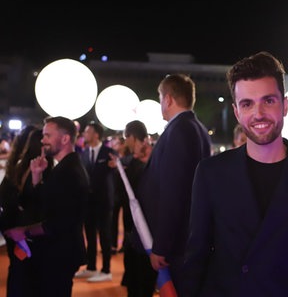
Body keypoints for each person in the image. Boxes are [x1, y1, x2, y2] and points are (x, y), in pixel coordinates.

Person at [184, 51, 288, 296]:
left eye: (268, 100)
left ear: (284, 105)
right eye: (247, 104)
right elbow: (196, 258)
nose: (258, 113)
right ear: (237, 111)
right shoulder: (210, 173)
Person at [135, 73, 212, 294]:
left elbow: (174, 193)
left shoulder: (179, 130)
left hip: (176, 245)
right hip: (186, 239)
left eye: (160, 98)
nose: (160, 103)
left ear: (168, 99)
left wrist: (161, 246)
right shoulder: (196, 128)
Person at [3, 116, 90, 296]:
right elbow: (46, 204)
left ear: (65, 139)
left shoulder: (69, 173)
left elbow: (58, 222)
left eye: (48, 136)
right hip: (56, 253)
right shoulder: (62, 168)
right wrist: (36, 177)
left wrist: (23, 231)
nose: (43, 140)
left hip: (60, 254)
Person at [114, 120, 157, 297]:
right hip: (134, 227)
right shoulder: (135, 161)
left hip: (143, 228)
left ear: (132, 137)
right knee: (134, 275)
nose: (125, 142)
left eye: (126, 138)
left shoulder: (144, 163)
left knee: (140, 278)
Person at [75, 121, 117, 282]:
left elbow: (116, 168)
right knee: (90, 235)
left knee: (105, 236)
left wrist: (114, 164)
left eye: (87, 131)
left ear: (96, 135)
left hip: (104, 201)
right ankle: (91, 267)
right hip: (88, 202)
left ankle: (106, 270)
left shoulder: (109, 152)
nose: (85, 134)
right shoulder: (84, 153)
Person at [0, 125, 39, 296]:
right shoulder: (28, 167)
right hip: (22, 232)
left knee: (16, 270)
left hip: (11, 227)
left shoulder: (15, 166)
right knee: (24, 274)